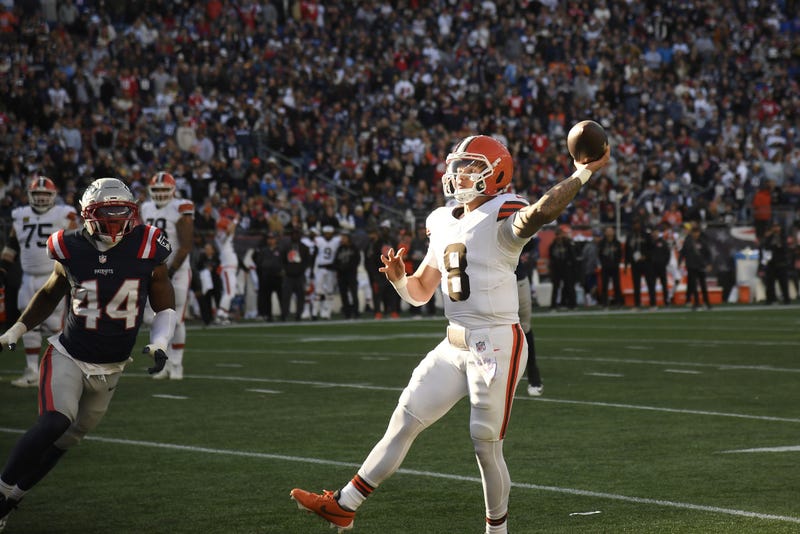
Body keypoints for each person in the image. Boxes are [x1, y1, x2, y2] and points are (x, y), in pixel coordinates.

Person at [290, 134, 610, 534]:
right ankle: (344, 505)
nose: (460, 173)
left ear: (497, 174)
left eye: (473, 166)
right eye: (458, 165)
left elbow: (542, 212)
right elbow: (423, 291)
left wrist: (582, 172)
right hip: (453, 342)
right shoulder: (441, 219)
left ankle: (497, 531)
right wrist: (400, 281)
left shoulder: (503, 211)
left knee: (484, 441)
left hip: (496, 342)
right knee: (405, 418)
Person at [0, 178, 176, 531]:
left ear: (132, 213)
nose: (113, 223)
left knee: (66, 440)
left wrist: (161, 342)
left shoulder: (148, 245)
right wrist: (19, 327)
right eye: (104, 214)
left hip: (112, 366)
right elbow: (51, 292)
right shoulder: (69, 246)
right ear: (86, 215)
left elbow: (163, 302)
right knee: (55, 420)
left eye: (119, 214)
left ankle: (11, 500)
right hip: (69, 353)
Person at [0, 177, 78, 388]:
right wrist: (3, 268)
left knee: (55, 324)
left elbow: (76, 242)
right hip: (27, 277)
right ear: (30, 195)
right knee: (28, 324)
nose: (41, 198)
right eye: (37, 194)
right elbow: (12, 245)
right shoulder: (20, 215)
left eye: (45, 194)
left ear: (53, 196)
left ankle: (64, 370)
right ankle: (32, 370)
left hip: (52, 275)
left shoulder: (65, 214)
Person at [139, 171, 194, 379]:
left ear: (172, 190)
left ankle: (177, 364)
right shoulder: (145, 207)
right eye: (157, 189)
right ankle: (165, 362)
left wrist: (170, 271)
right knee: (154, 319)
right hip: (156, 270)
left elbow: (186, 245)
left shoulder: (180, 207)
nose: (161, 193)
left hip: (176, 271)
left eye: (164, 189)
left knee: (176, 319)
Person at [517, 238, 543, 396]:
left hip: (516, 280)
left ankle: (534, 377)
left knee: (524, 328)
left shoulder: (506, 221)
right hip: (492, 283)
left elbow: (532, 240)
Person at [280, 228, 312, 321]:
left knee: (301, 296)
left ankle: (299, 314)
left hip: (300, 275)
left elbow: (307, 261)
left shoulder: (304, 248)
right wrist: (286, 270)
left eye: (297, 234)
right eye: (293, 234)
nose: (295, 236)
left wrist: (302, 269)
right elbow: (282, 260)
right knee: (286, 296)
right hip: (289, 275)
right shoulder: (286, 247)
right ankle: (284, 314)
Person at [679, 224, 712, 310]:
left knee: (703, 285)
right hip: (691, 265)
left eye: (697, 232)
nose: (695, 234)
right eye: (694, 232)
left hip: (700, 265)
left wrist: (708, 264)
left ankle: (706, 302)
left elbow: (708, 254)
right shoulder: (688, 241)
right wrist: (680, 261)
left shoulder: (702, 241)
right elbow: (683, 252)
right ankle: (696, 302)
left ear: (699, 233)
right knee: (693, 285)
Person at [624, 218, 656, 308]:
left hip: (646, 263)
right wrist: (627, 264)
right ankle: (637, 304)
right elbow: (627, 251)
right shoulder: (630, 236)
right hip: (635, 264)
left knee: (650, 283)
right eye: (634, 223)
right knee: (636, 285)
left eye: (637, 223)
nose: (636, 225)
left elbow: (652, 249)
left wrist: (646, 256)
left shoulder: (646, 235)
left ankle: (653, 303)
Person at [213, 213, 239, 324]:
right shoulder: (220, 236)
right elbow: (229, 231)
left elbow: (230, 232)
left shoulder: (222, 235)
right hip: (227, 268)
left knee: (230, 293)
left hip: (230, 268)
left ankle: (224, 315)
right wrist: (236, 221)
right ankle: (220, 315)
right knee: (228, 292)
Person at [312, 225, 341, 319]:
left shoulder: (336, 241)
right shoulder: (319, 240)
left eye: (330, 233)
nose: (328, 235)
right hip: (320, 268)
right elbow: (314, 254)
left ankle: (326, 312)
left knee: (329, 291)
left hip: (331, 269)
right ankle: (315, 312)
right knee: (318, 291)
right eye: (326, 233)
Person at [759, 221, 791, 305]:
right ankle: (770, 299)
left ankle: (786, 299)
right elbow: (766, 247)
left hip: (781, 263)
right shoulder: (770, 237)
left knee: (783, 283)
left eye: (777, 226)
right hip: (771, 263)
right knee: (770, 283)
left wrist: (777, 246)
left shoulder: (783, 237)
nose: (775, 228)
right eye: (774, 226)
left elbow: (784, 248)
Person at [254, 232, 284, 321]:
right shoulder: (263, 250)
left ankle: (284, 314)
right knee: (266, 297)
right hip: (267, 276)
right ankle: (268, 315)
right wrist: (263, 269)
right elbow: (258, 261)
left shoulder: (281, 250)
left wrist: (283, 270)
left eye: (272, 238)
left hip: (278, 276)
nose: (270, 240)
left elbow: (284, 261)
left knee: (281, 296)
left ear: (276, 240)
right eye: (269, 239)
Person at [333, 230, 361, 319]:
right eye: (342, 237)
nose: (343, 239)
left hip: (351, 274)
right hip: (341, 275)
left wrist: (348, 268)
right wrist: (339, 268)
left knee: (354, 293)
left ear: (349, 238)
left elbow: (357, 261)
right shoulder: (340, 248)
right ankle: (347, 312)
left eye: (344, 237)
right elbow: (336, 261)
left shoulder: (354, 248)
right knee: (343, 294)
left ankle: (356, 312)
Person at [548, 226, 577, 309]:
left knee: (569, 286)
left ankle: (572, 304)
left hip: (567, 268)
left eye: (560, 234)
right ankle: (553, 305)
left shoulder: (568, 243)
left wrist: (571, 265)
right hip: (557, 269)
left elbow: (572, 255)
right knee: (556, 287)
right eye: (557, 234)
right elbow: (551, 257)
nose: (559, 236)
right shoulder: (553, 245)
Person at [598, 226, 624, 308]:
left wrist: (617, 263)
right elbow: (599, 254)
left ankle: (618, 302)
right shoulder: (602, 243)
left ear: (614, 232)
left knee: (617, 285)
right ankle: (604, 303)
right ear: (605, 233)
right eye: (608, 231)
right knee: (604, 285)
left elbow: (620, 254)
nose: (609, 233)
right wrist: (603, 263)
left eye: (611, 231)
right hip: (605, 267)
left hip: (614, 266)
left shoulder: (617, 243)